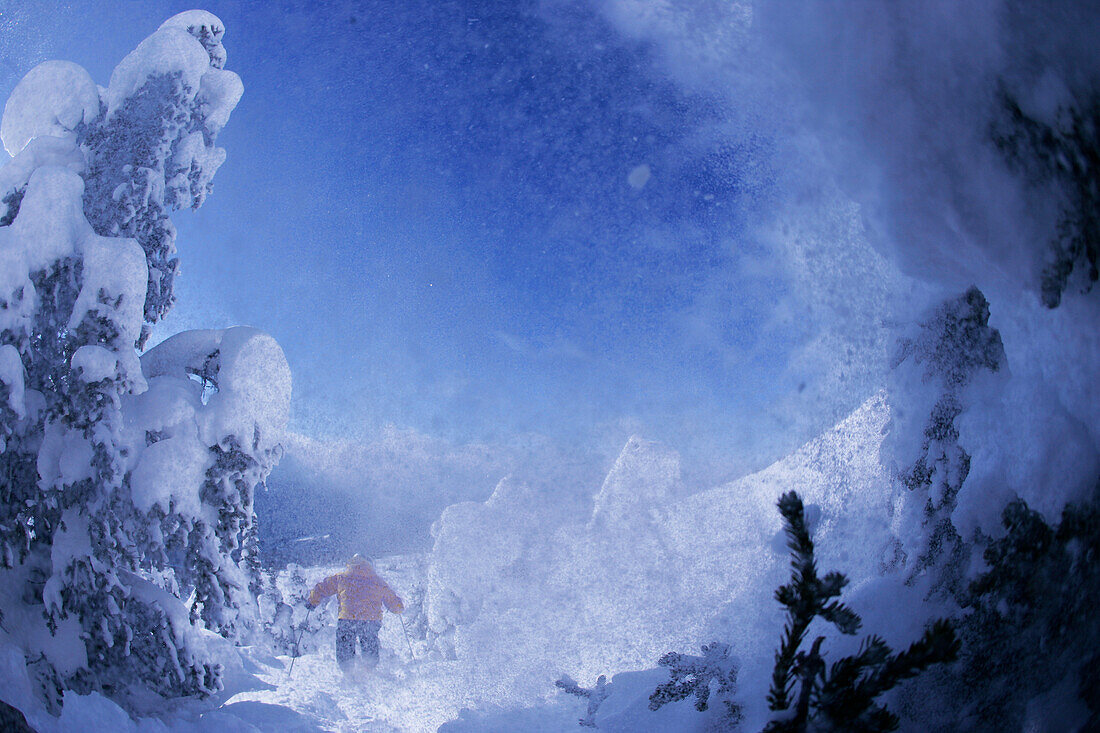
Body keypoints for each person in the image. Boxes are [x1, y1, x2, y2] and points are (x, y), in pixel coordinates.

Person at [307, 554, 404, 672]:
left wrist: (312, 601)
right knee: (369, 644)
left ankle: (347, 672)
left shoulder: (341, 578)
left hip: (347, 618)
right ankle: (369, 671)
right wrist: (398, 608)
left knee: (345, 646)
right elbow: (392, 601)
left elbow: (321, 588)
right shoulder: (378, 581)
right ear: (370, 565)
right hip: (370, 620)